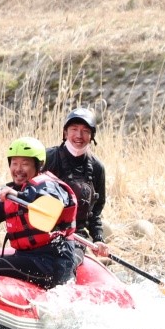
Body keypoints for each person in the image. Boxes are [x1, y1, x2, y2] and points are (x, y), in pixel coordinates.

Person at [0, 137, 81, 289]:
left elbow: (51, 202)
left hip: (51, 263)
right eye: (14, 163)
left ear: (38, 166)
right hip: (29, 259)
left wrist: (20, 197)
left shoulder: (49, 185)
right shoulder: (14, 191)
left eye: (25, 164)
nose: (18, 169)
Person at [45, 108, 108, 257]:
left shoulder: (97, 168)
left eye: (85, 131)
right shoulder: (47, 158)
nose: (79, 135)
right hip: (43, 231)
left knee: (66, 260)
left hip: (74, 237)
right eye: (74, 129)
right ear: (65, 132)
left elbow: (94, 212)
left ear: (92, 136)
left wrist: (98, 238)